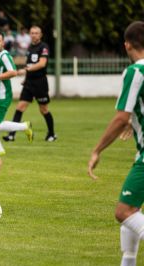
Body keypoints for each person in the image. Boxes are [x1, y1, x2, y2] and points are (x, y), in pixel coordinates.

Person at [87, 21, 144, 266]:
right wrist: (135, 122)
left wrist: (96, 150)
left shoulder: (135, 71)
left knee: (123, 211)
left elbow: (121, 116)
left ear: (127, 45)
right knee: (133, 207)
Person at [3, 26, 56, 142]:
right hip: (29, 83)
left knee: (44, 109)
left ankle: (52, 134)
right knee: (20, 107)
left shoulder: (44, 47)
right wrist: (26, 78)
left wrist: (26, 70)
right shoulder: (30, 47)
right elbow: (30, 63)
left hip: (40, 82)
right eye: (32, 33)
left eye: (36, 33)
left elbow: (42, 64)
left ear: (40, 35)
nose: (34, 35)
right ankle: (11, 135)